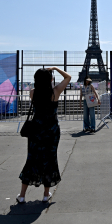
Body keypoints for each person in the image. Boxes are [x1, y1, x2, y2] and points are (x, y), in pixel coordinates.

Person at [16, 67, 71, 204]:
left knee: (32, 160)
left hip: (36, 130)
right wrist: (56, 68)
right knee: (50, 160)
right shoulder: (55, 92)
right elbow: (68, 77)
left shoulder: (33, 92)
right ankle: (46, 195)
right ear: (51, 79)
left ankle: (22, 195)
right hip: (51, 131)